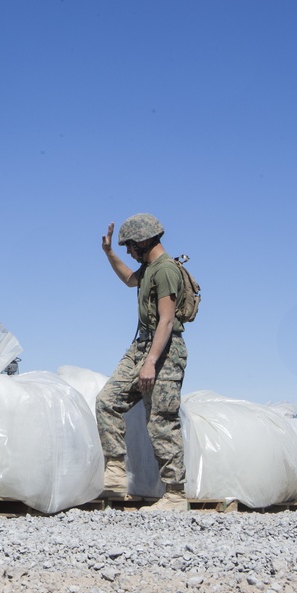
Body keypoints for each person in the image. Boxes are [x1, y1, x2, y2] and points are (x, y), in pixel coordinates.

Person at [97, 213, 189, 511]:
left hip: (163, 350)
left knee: (161, 421)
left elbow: (166, 320)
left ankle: (175, 495)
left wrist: (150, 362)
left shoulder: (166, 271)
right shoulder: (148, 268)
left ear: (144, 240)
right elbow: (128, 279)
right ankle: (114, 471)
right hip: (142, 346)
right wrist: (109, 253)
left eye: (129, 245)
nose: (128, 251)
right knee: (107, 401)